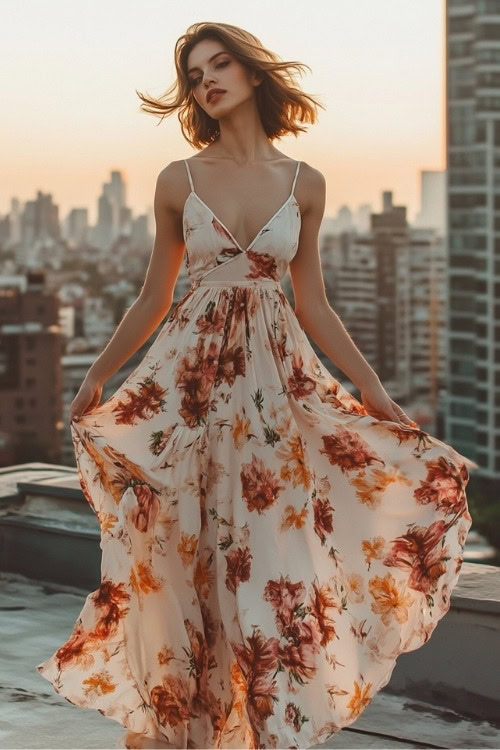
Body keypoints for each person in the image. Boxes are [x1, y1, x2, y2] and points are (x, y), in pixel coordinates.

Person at [36, 21, 477, 750]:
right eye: (195, 74)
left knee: (268, 554)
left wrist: (373, 394)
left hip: (274, 392)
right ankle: (189, 724)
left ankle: (261, 727)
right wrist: (98, 373)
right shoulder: (178, 179)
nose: (207, 81)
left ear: (252, 73)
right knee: (186, 551)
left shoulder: (305, 183)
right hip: (187, 388)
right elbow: (154, 296)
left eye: (220, 65)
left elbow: (316, 304)